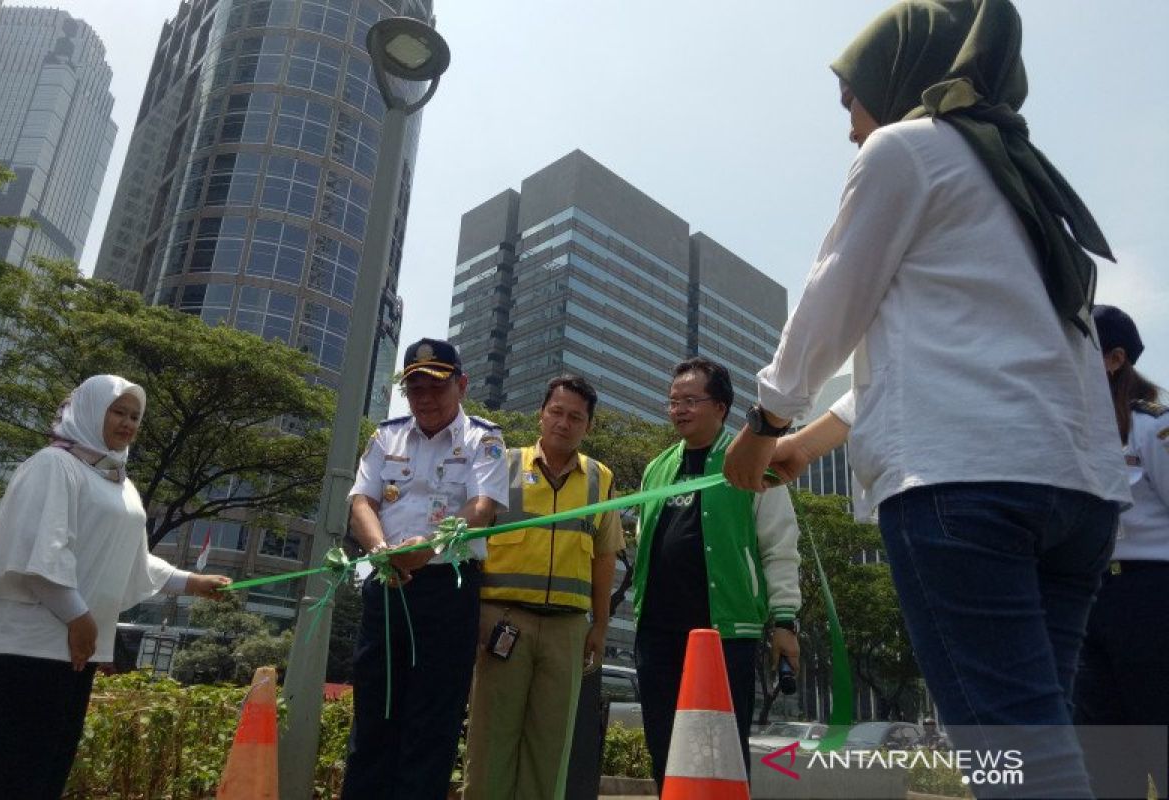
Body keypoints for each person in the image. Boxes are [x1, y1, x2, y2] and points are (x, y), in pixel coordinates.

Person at [723, 1, 1129, 795]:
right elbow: (971, 356)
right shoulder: (1024, 180)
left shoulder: (905, 151)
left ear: (901, 76)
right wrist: (810, 442)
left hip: (965, 493)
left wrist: (766, 422)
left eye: (851, 102)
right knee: (1042, 742)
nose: (849, 130)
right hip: (1076, 496)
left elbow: (831, 298)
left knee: (1015, 762)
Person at [0, 374, 231, 799]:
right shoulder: (53, 465)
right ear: (90, 411)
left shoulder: (120, 482)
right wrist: (78, 617)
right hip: (17, 649)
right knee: (0, 772)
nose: (127, 423)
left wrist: (192, 582)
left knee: (42, 774)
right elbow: (41, 551)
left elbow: (128, 559)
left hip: (72, 653)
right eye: (117, 411)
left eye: (135, 416)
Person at [342, 338, 509, 800]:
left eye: (437, 386)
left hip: (447, 591)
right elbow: (361, 500)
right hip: (388, 585)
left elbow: (484, 506)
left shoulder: (484, 438)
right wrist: (381, 551)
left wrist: (430, 548)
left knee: (432, 721)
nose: (426, 398)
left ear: (462, 385)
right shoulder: (386, 435)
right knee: (374, 710)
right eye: (415, 389)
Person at [633, 357, 801, 791]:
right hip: (656, 634)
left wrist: (784, 620)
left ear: (722, 407)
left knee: (721, 751)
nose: (679, 410)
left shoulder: (749, 459)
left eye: (691, 400)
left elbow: (779, 544)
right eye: (673, 402)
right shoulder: (656, 468)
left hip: (725, 632)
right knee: (662, 747)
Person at [462, 375, 622, 800]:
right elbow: (471, 541)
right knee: (490, 737)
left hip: (567, 628)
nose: (563, 423)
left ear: (587, 425)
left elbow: (604, 557)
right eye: (556, 412)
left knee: (551, 744)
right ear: (541, 414)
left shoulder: (599, 478)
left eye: (575, 417)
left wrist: (600, 625)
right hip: (502, 621)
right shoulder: (505, 465)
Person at [1074, 305, 1168, 800]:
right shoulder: (1068, 428)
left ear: (1114, 359)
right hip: (1091, 596)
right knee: (1104, 756)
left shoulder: (1154, 426)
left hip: (1152, 597)